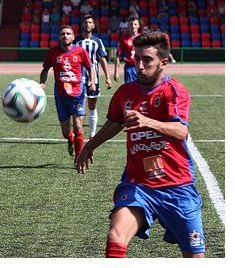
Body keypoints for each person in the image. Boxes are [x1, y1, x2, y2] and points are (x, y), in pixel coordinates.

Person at [75, 31, 206, 258]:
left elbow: (181, 131)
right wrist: (89, 145)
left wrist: (147, 122)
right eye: (137, 59)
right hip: (139, 185)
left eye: (147, 60)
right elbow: (114, 123)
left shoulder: (174, 91)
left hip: (177, 187)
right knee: (115, 237)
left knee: (195, 256)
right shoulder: (125, 92)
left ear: (163, 63)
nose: (140, 65)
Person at [40, 25, 94, 164]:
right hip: (60, 95)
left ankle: (79, 156)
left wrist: (92, 82)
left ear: (73, 36)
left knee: (77, 125)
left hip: (78, 93)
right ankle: (70, 140)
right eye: (63, 33)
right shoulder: (53, 52)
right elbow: (45, 69)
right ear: (59, 36)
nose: (65, 36)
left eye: (68, 33)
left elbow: (89, 67)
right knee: (65, 131)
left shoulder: (80, 51)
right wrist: (42, 83)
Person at [76, 15, 113, 139]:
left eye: (90, 22)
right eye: (85, 22)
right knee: (78, 107)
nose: (87, 24)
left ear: (93, 25)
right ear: (82, 24)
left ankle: (92, 134)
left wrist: (107, 77)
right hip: (78, 78)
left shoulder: (97, 41)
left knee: (92, 105)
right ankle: (79, 134)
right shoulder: (76, 41)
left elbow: (102, 59)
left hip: (93, 78)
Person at [114, 16, 140, 83]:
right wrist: (116, 72)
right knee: (130, 90)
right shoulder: (123, 39)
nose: (133, 26)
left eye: (135, 24)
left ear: (138, 26)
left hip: (140, 67)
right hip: (129, 68)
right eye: (131, 24)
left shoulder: (142, 38)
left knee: (142, 90)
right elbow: (118, 56)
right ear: (128, 26)